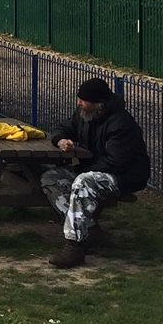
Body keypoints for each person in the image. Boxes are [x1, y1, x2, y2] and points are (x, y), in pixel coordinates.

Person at [41, 78, 150, 268]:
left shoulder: (120, 123)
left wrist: (84, 173)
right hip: (94, 171)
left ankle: (74, 246)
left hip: (123, 176)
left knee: (83, 182)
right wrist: (61, 140)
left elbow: (116, 162)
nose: (79, 103)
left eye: (83, 100)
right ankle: (90, 229)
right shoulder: (84, 114)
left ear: (99, 103)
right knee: (51, 178)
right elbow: (63, 127)